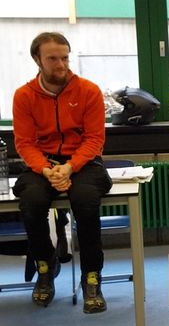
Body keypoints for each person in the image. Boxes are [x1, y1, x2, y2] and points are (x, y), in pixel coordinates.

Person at [12, 32, 111, 313]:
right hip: (42, 164)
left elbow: (94, 139)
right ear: (37, 60)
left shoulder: (88, 91)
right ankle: (45, 266)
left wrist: (68, 168)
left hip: (83, 163)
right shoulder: (24, 96)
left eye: (65, 58)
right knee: (32, 200)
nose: (61, 65)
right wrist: (47, 170)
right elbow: (25, 143)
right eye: (53, 59)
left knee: (85, 200)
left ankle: (92, 276)